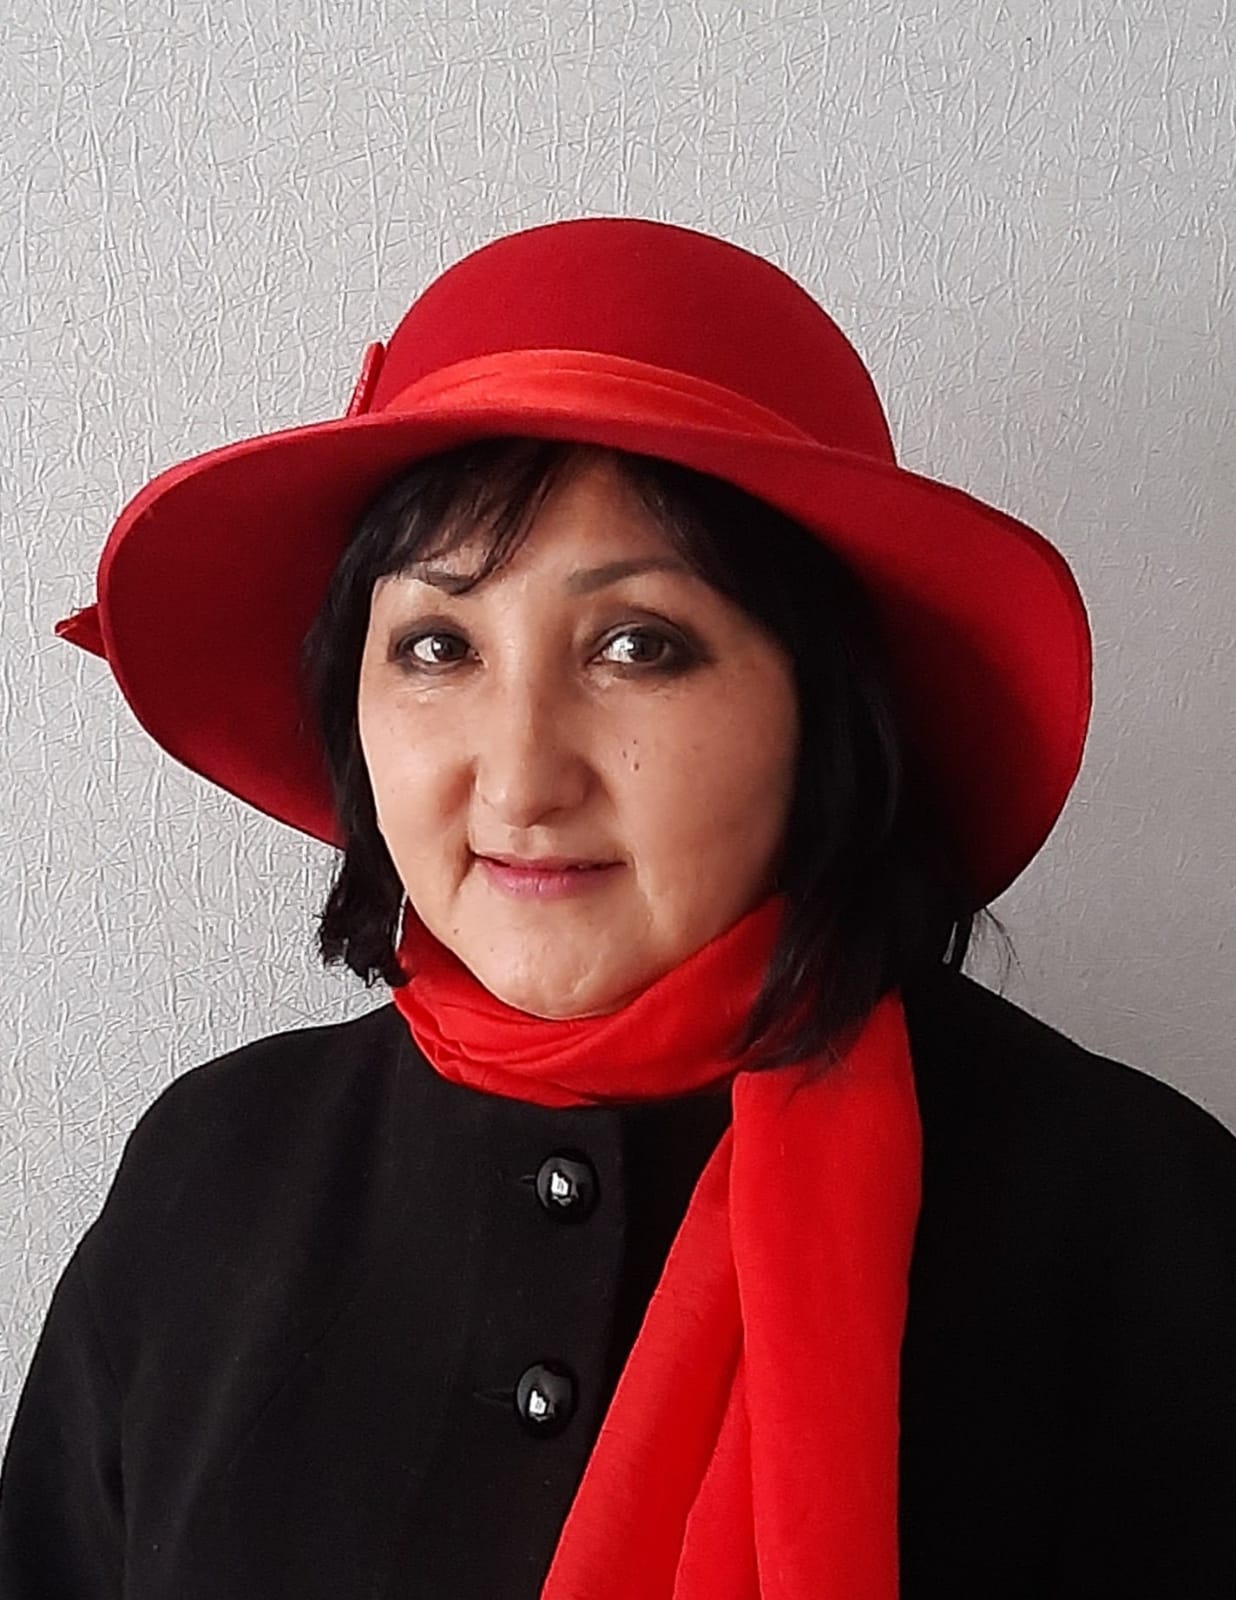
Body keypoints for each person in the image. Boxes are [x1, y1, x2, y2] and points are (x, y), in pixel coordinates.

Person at [1, 216, 1233, 1599]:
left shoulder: (1136, 1223)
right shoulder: (209, 1176)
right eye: (436, 645)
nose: (521, 780)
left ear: (822, 708)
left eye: (638, 646)